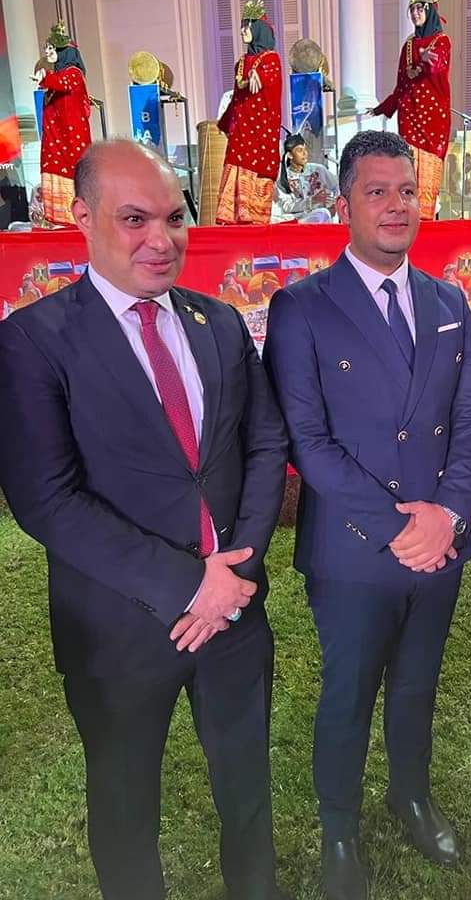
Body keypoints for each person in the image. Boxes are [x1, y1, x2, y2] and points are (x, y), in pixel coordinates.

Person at [0, 139, 290, 900]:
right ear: (81, 216)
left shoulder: (219, 322)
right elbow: (45, 498)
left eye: (173, 217)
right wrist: (189, 585)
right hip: (119, 629)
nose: (161, 240)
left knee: (247, 791)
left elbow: (265, 444)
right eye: (135, 219)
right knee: (125, 805)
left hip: (235, 611)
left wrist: (236, 570)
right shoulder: (33, 339)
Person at [264, 131, 471, 900]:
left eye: (406, 191)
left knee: (418, 684)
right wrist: (402, 527)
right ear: (343, 205)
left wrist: (450, 514)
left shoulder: (448, 300)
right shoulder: (301, 307)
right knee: (350, 693)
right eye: (377, 192)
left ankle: (411, 797)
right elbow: (308, 442)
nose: (397, 206)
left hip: (440, 544)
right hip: (356, 548)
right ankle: (339, 830)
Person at [370, 0, 451, 220]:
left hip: (432, 119)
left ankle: (426, 221)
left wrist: (424, 61)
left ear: (430, 10)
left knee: (427, 172)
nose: (415, 13)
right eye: (412, 9)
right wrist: (382, 107)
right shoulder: (408, 45)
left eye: (420, 8)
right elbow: (401, 84)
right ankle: (407, 220)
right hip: (409, 117)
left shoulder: (441, 41)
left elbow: (438, 68)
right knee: (407, 172)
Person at [217, 0, 282, 224]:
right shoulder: (241, 63)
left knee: (257, 164)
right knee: (236, 161)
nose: (242, 30)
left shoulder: (271, 59)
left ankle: (254, 216)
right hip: (241, 129)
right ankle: (233, 215)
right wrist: (225, 122)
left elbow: (271, 80)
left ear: (259, 30)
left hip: (261, 129)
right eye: (242, 25)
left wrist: (260, 75)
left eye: (248, 25)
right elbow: (237, 97)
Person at [32, 20, 92, 226]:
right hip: (55, 138)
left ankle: (74, 216)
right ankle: (58, 216)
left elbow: (63, 84)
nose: (48, 54)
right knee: (54, 168)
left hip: (70, 138)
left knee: (72, 171)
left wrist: (45, 77)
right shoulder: (58, 76)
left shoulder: (73, 74)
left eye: (52, 49)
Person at [272, 133, 339, 223]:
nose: (305, 153)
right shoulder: (283, 177)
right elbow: (286, 206)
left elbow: (338, 186)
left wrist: (334, 203)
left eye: (305, 149)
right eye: (300, 150)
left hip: (318, 215)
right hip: (296, 218)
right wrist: (311, 201)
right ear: (290, 155)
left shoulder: (318, 169)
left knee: (322, 213)